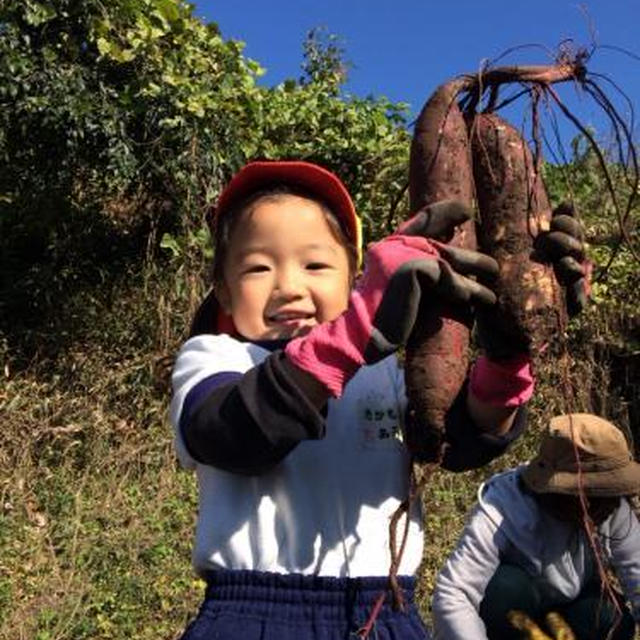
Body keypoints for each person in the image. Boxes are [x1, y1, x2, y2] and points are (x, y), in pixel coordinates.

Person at [169, 159, 588, 639]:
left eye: (316, 265)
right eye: (257, 267)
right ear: (222, 291)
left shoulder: (383, 372)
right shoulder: (215, 359)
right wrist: (355, 329)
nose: (288, 286)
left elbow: (455, 442)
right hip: (253, 617)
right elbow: (229, 435)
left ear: (354, 278)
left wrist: (512, 348)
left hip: (382, 612)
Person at [431, 413, 640, 640]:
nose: (608, 508)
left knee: (609, 618)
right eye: (596, 498)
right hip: (515, 614)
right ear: (564, 493)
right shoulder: (503, 506)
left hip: (572, 613)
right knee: (506, 589)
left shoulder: (612, 506)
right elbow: (454, 593)